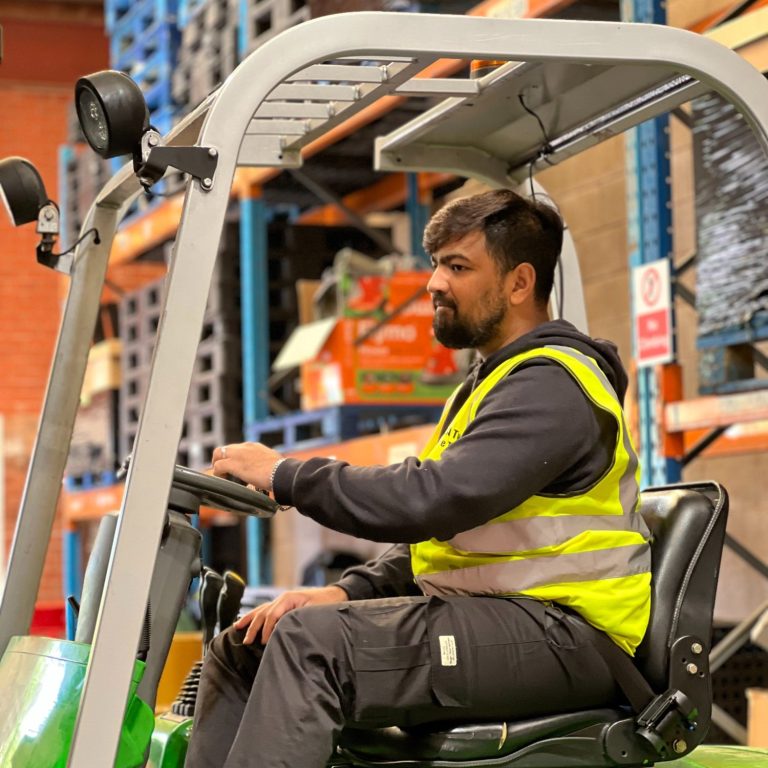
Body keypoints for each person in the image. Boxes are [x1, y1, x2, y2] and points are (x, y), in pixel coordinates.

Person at [184, 189, 651, 768]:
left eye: (457, 267)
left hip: (566, 636)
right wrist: (346, 592)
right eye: (436, 265)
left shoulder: (553, 386)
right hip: (503, 621)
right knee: (248, 645)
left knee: (313, 646)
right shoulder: (485, 388)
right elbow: (440, 542)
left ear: (519, 283)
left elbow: (430, 500)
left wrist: (285, 475)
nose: (433, 283)